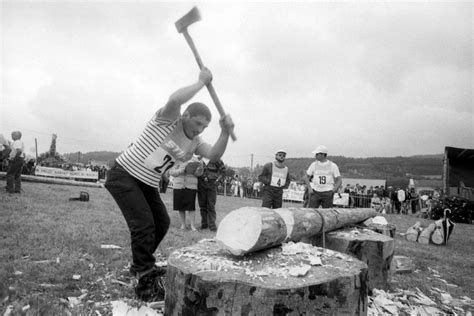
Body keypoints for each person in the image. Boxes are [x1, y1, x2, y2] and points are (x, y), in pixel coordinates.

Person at [104, 67, 234, 302]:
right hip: (124, 174)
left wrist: (225, 132)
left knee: (161, 222)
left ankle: (140, 265)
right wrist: (200, 83)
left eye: (204, 127)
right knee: (143, 224)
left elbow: (214, 155)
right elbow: (175, 99)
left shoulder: (194, 142)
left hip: (147, 183)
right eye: (197, 123)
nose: (199, 129)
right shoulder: (168, 119)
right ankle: (145, 277)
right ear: (185, 115)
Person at [170, 157, 203, 231]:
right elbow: (171, 172)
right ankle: (183, 224)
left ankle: (192, 226)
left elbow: (199, 174)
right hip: (179, 185)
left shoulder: (195, 159)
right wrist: (182, 170)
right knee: (180, 206)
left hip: (191, 185)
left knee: (191, 206)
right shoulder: (176, 158)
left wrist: (200, 168)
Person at [197, 158, 225, 232]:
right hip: (201, 182)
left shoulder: (216, 158)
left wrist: (218, 181)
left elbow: (223, 171)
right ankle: (204, 224)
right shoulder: (199, 159)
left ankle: (212, 226)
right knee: (202, 205)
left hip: (212, 183)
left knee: (211, 205)